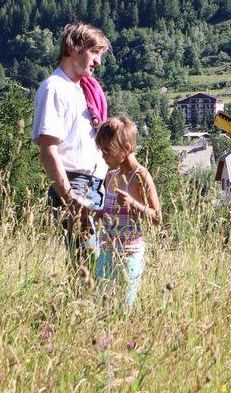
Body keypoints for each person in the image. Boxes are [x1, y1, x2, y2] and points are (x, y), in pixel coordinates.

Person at [33, 22, 111, 276]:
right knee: (88, 264)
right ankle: (84, 312)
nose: (98, 61)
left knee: (98, 264)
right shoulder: (55, 88)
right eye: (94, 52)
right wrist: (69, 197)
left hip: (95, 184)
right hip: (76, 185)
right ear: (73, 48)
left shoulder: (84, 90)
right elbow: (48, 149)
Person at [94, 117, 161, 310]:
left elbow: (157, 217)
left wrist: (133, 203)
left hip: (129, 254)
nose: (103, 156)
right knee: (102, 304)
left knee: (124, 307)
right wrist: (98, 213)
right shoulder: (110, 176)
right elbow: (110, 212)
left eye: (108, 150)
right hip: (107, 251)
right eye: (101, 150)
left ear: (126, 148)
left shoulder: (140, 176)